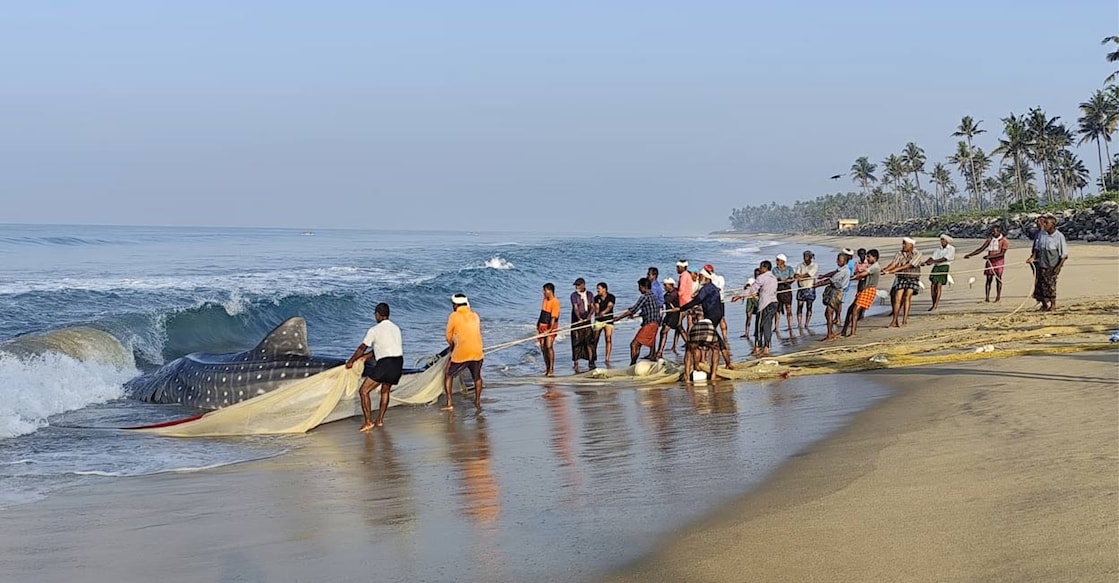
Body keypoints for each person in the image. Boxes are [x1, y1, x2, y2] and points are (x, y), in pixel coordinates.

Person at [345, 302, 404, 431]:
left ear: (378, 315)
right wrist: (366, 357)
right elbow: (384, 348)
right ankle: (380, 420)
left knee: (364, 391)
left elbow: (362, 347)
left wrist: (351, 361)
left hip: (386, 363)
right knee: (385, 390)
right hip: (398, 362)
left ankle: (368, 422)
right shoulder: (396, 328)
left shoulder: (374, 330)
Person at [673, 268, 733, 368]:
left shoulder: (706, 288)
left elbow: (697, 300)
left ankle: (699, 363)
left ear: (706, 277)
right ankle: (727, 363)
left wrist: (681, 308)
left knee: (701, 342)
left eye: (700, 277)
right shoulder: (714, 287)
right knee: (716, 338)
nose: (699, 278)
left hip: (711, 316)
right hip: (717, 315)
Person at [443, 294, 484, 411]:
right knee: (477, 377)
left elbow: (448, 336)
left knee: (448, 374)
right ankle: (477, 401)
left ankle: (449, 402)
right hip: (477, 352)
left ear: (455, 305)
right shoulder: (475, 315)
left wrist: (452, 346)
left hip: (461, 352)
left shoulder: (454, 316)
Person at [612, 278, 661, 365]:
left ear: (644, 287)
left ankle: (632, 364)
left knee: (634, 344)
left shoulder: (644, 296)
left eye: (640, 287)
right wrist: (636, 315)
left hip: (649, 324)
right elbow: (649, 310)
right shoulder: (653, 295)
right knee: (639, 344)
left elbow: (633, 309)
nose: (638, 289)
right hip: (655, 323)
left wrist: (618, 318)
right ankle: (645, 360)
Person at [1027, 214, 1069, 311]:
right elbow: (1037, 248)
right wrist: (1032, 258)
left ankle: (1053, 305)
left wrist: (1058, 267)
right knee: (1040, 284)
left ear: (1052, 225)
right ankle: (1044, 304)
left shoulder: (1059, 236)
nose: (1043, 224)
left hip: (1052, 264)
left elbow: (1064, 255)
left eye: (1046, 223)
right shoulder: (1042, 234)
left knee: (1051, 285)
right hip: (1041, 263)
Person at [880, 237, 924, 328]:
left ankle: (904, 320)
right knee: (897, 298)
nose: (903, 246)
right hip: (901, 277)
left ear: (911, 245)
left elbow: (909, 265)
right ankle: (894, 320)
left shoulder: (918, 254)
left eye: (905, 244)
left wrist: (895, 270)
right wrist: (885, 270)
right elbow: (894, 264)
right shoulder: (899, 253)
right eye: (903, 244)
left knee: (907, 297)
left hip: (912, 278)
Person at [964, 225, 1010, 302]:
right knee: (988, 279)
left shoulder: (1004, 241)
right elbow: (981, 248)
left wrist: (990, 256)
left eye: (994, 232)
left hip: (998, 262)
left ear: (999, 232)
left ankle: (998, 297)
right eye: (992, 231)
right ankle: (987, 297)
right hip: (989, 261)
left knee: (998, 279)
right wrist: (970, 255)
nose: (993, 233)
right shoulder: (990, 240)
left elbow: (1002, 253)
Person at [813, 251, 852, 341]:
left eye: (839, 260)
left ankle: (829, 334)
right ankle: (830, 332)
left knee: (829, 312)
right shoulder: (841, 269)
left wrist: (818, 284)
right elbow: (833, 273)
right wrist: (823, 276)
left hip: (836, 292)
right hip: (835, 290)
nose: (837, 261)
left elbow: (832, 280)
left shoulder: (845, 271)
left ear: (844, 261)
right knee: (828, 313)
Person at [742, 261, 778, 356]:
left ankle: (757, 347)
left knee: (759, 326)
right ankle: (767, 347)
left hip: (764, 304)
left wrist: (739, 295)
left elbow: (752, 289)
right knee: (768, 325)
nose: (760, 269)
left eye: (761, 267)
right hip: (774, 303)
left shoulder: (761, 277)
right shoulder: (774, 278)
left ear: (765, 268)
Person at [842, 249, 880, 337]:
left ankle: (853, 332)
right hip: (864, 289)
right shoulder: (872, 266)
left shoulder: (874, 267)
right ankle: (844, 331)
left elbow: (862, 274)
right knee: (850, 309)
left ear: (874, 257)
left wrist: (852, 278)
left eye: (869, 257)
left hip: (869, 290)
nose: (867, 258)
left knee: (855, 310)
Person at [569, 278, 597, 372]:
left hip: (587, 319)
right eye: (576, 285)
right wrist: (579, 318)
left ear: (583, 285)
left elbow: (592, 307)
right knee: (576, 340)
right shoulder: (573, 295)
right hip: (577, 320)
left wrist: (589, 316)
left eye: (578, 285)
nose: (576, 287)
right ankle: (576, 363)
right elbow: (576, 308)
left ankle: (591, 361)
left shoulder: (589, 294)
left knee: (589, 341)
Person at [923, 234, 956, 311]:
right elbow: (933, 257)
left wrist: (933, 261)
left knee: (939, 285)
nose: (942, 241)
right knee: (932, 285)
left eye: (943, 240)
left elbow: (945, 259)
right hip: (936, 267)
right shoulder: (938, 249)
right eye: (941, 240)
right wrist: (926, 262)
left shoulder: (951, 249)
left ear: (947, 241)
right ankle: (933, 303)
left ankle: (936, 304)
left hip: (944, 266)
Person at [683, 318, 721, 383]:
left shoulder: (696, 318)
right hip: (708, 327)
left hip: (695, 327)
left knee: (689, 351)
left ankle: (687, 378)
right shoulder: (711, 321)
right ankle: (713, 375)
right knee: (715, 350)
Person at [656, 277, 686, 358]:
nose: (664, 287)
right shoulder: (667, 294)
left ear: (671, 285)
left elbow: (664, 301)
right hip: (669, 315)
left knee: (665, 331)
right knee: (675, 330)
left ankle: (660, 351)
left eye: (666, 285)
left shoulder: (674, 294)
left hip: (675, 314)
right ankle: (660, 351)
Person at [703, 263, 731, 345]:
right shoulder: (706, 279)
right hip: (709, 302)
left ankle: (725, 337)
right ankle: (713, 337)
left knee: (721, 318)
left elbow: (719, 288)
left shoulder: (719, 278)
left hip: (719, 301)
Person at [537, 283, 561, 376]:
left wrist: (550, 330)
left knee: (549, 346)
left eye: (545, 290)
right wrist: (538, 324)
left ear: (550, 291)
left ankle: (551, 369)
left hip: (551, 326)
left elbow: (553, 318)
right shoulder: (545, 300)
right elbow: (542, 313)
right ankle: (547, 368)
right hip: (542, 325)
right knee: (543, 347)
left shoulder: (555, 302)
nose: (543, 292)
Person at [793, 250, 819, 328]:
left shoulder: (814, 265)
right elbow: (796, 274)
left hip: (810, 287)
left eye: (807, 256)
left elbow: (809, 274)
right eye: (804, 256)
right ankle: (799, 323)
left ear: (811, 257)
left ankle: (807, 323)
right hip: (801, 287)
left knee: (809, 306)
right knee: (799, 306)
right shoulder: (800, 265)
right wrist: (798, 276)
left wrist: (800, 276)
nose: (805, 258)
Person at [592, 282, 616, 363]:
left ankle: (607, 358)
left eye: (599, 288)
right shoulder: (596, 298)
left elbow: (610, 306)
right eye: (597, 288)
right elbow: (597, 307)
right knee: (595, 338)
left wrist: (603, 312)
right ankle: (593, 355)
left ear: (604, 289)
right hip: (599, 320)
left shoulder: (611, 297)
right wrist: (598, 312)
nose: (597, 290)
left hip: (608, 320)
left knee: (608, 338)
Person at [771, 254, 796, 332]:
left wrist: (788, 280)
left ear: (783, 261)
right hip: (778, 289)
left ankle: (790, 326)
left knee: (788, 308)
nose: (776, 262)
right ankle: (776, 327)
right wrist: (783, 280)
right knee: (777, 309)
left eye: (778, 260)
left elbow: (792, 277)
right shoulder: (774, 270)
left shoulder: (789, 269)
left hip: (787, 288)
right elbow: (776, 278)